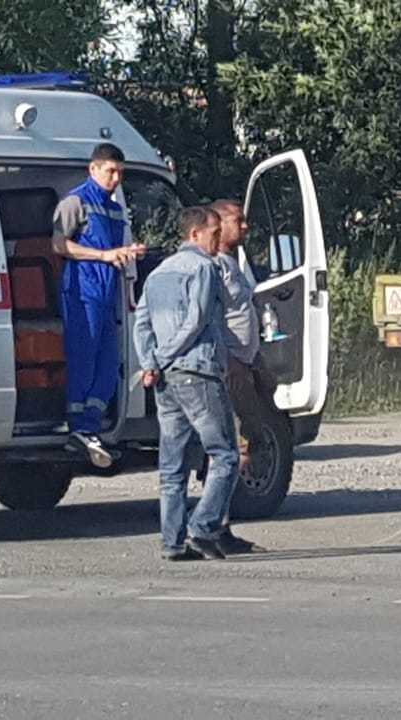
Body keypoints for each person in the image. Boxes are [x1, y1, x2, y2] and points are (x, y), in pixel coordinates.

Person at [133, 206, 238, 561]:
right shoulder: (204, 268)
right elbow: (196, 321)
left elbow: (141, 324)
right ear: (195, 234)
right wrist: (162, 357)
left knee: (172, 464)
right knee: (225, 455)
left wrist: (150, 361)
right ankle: (202, 527)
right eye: (213, 233)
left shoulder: (158, 273)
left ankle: (172, 542)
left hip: (166, 379)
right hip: (198, 371)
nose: (217, 239)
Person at [51, 143, 146, 467]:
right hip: (83, 288)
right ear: (94, 169)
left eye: (120, 172)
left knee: (110, 363)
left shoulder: (116, 208)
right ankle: (79, 427)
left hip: (109, 292)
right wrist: (104, 256)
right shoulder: (76, 201)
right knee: (84, 357)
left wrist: (129, 251)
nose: (116, 178)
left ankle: (92, 424)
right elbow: (59, 244)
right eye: (110, 171)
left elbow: (112, 247)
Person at [207, 199, 268, 553]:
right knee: (231, 449)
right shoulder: (214, 267)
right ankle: (214, 525)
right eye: (238, 221)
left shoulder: (236, 264)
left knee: (245, 443)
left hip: (245, 365)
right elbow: (212, 317)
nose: (245, 227)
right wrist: (229, 359)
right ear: (218, 223)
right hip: (227, 369)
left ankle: (219, 522)